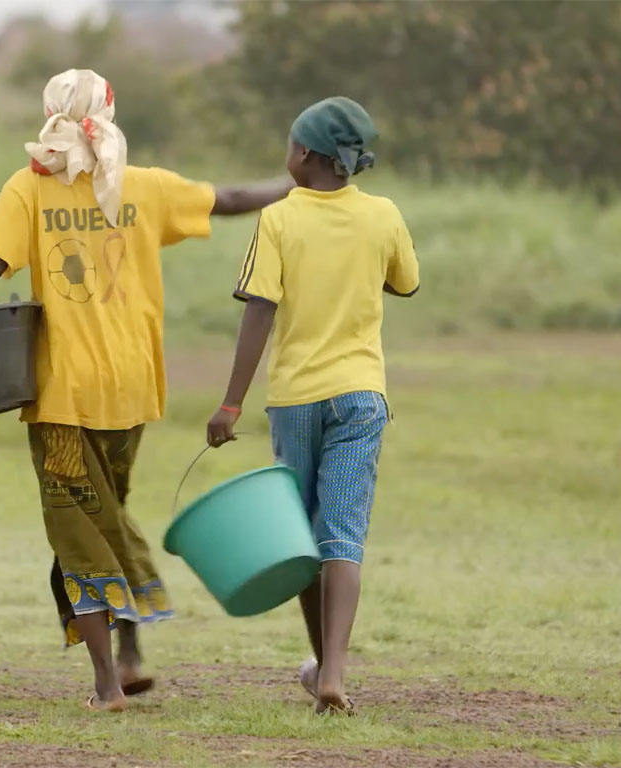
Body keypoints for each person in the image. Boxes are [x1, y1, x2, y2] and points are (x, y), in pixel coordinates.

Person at [0, 69, 292, 712]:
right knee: (110, 512)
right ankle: (129, 654)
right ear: (109, 112)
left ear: (49, 114)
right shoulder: (142, 186)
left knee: (78, 528)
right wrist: (299, 183)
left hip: (64, 392)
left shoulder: (30, 187)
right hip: (133, 387)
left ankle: (106, 685)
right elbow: (230, 196)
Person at [204, 96, 419, 715]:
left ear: (302, 153)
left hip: (295, 399)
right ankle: (334, 676)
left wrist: (230, 402)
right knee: (342, 537)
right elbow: (402, 281)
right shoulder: (383, 216)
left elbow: (259, 310)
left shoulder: (278, 219)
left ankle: (322, 662)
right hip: (360, 395)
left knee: (300, 535)